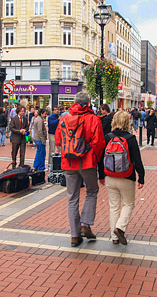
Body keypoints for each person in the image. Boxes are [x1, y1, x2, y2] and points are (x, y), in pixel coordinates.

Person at [54, 92, 106, 247]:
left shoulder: (64, 117)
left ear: (75, 102)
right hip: (87, 162)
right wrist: (94, 158)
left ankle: (74, 236)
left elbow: (58, 139)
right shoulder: (93, 119)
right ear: (88, 102)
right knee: (91, 191)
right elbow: (99, 143)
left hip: (69, 162)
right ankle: (86, 224)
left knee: (72, 197)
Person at [101, 110, 145, 245]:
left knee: (113, 206)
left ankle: (114, 238)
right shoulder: (130, 139)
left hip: (109, 176)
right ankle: (120, 227)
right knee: (128, 204)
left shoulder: (107, 137)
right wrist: (141, 177)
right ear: (128, 122)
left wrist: (101, 175)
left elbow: (100, 157)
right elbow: (137, 160)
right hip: (127, 176)